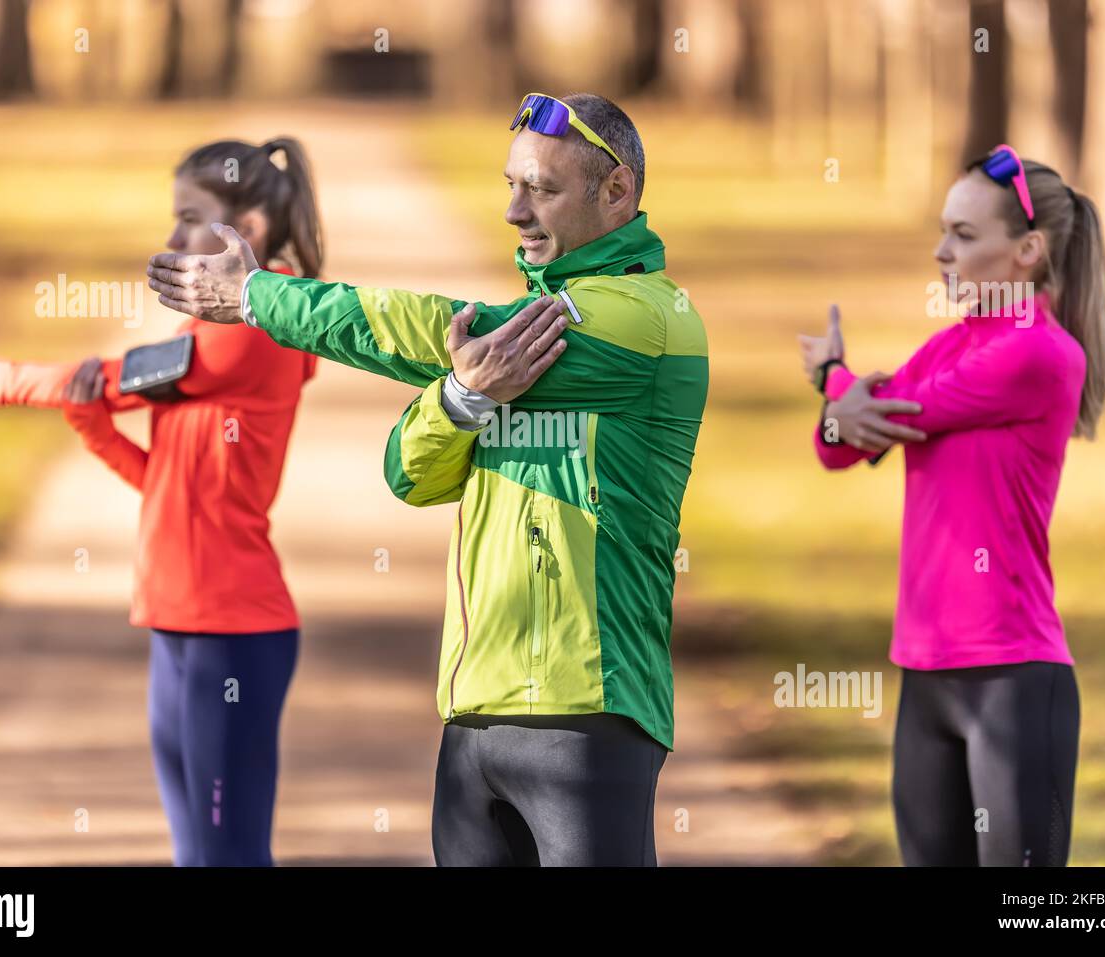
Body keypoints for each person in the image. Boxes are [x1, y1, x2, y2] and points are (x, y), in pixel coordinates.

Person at [145, 93, 709, 866]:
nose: (515, 210)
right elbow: (407, 473)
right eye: (510, 184)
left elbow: (430, 322)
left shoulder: (650, 319)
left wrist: (257, 296)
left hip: (591, 713)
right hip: (472, 716)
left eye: (540, 188)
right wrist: (461, 396)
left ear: (616, 191)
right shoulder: (502, 358)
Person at [0, 137, 322, 866]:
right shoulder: (208, 330)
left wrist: (7, 379)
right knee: (194, 854)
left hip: (234, 633)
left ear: (246, 231)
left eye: (190, 218)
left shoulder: (258, 330)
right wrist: (86, 422)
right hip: (176, 624)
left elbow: (117, 375)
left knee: (229, 854)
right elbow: (166, 479)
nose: (171, 239)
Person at [798, 144, 1105, 866]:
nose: (942, 252)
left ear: (1027, 250)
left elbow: (899, 413)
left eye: (965, 236)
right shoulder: (949, 346)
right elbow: (836, 447)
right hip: (926, 673)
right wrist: (841, 398)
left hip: (1012, 677)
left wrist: (836, 381)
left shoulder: (1042, 353)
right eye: (943, 231)